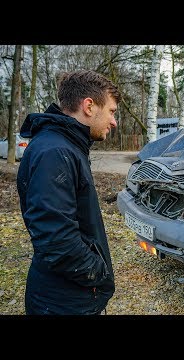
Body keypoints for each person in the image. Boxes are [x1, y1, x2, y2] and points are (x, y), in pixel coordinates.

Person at [16, 70, 121, 315]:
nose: (114, 121)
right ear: (89, 106)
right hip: (64, 302)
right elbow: (56, 240)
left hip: (68, 295)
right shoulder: (55, 151)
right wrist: (98, 273)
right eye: (112, 111)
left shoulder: (66, 145)